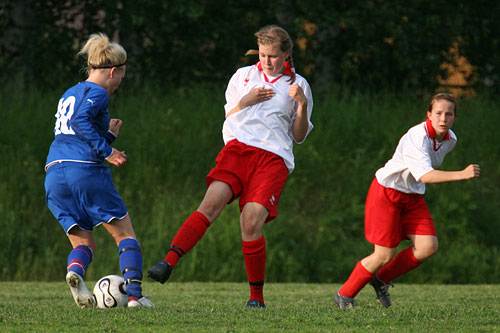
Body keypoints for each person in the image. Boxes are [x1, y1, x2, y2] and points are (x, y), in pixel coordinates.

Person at [147, 25, 314, 308]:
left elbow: (298, 136)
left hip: (272, 159)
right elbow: (229, 116)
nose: (267, 61)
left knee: (250, 221)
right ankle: (168, 263)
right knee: (210, 204)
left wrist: (301, 105)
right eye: (262, 54)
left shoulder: (299, 85)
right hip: (237, 151)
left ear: (286, 54)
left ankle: (256, 298)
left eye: (273, 56)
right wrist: (244, 101)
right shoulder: (243, 76)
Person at [334, 93, 480, 309]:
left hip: (412, 197)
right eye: (438, 113)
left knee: (427, 247)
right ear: (428, 115)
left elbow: (423, 175)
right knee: (383, 254)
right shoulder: (417, 136)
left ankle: (380, 279)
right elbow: (426, 175)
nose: (443, 119)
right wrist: (461, 174)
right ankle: (344, 295)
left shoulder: (451, 140)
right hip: (387, 193)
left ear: (454, 118)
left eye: (449, 114)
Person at [44, 33, 153, 308]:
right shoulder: (98, 92)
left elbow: (73, 132)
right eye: (120, 79)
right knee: (125, 235)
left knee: (84, 243)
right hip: (84, 171)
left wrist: (108, 136)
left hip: (55, 173)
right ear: (113, 71)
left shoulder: (70, 92)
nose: (117, 85)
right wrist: (109, 151)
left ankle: (75, 272)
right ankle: (136, 297)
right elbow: (81, 122)